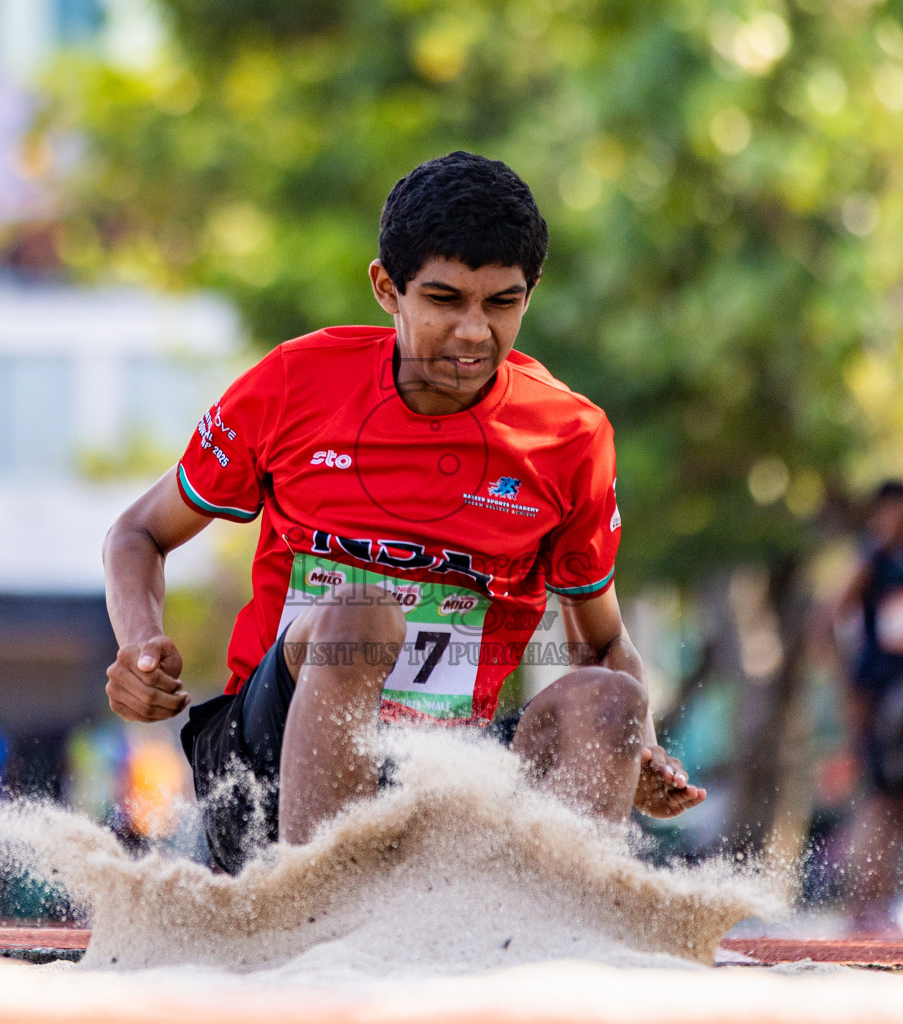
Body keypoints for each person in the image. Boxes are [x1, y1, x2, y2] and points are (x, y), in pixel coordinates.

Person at [100, 152, 704, 874]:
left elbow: (600, 644)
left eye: (501, 303)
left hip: (445, 779)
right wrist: (140, 644)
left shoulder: (569, 438)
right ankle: (313, 911)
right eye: (445, 300)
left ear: (530, 294)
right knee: (363, 611)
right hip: (260, 778)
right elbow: (137, 532)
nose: (475, 333)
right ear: (387, 289)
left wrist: (637, 745)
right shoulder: (297, 383)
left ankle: (559, 938)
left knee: (609, 700)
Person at [832, 480, 903, 927]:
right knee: (877, 798)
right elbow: (835, 614)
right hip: (878, 696)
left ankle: (893, 898)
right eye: (886, 513)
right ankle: (862, 901)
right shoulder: (871, 561)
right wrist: (850, 681)